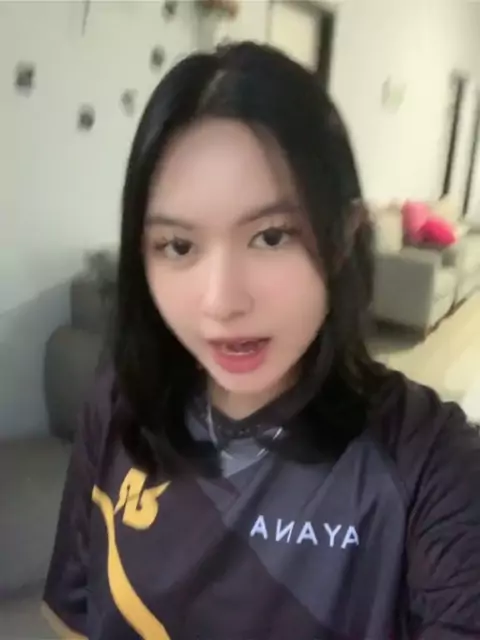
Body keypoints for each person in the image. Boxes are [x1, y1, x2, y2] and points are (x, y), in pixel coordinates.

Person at [42, 42, 480, 640]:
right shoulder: (121, 400)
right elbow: (73, 616)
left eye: (272, 237)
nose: (222, 302)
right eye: (178, 246)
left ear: (344, 237)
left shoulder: (430, 462)